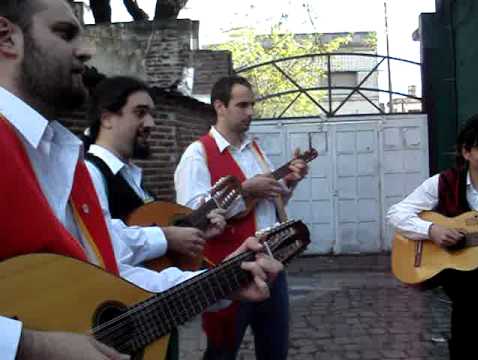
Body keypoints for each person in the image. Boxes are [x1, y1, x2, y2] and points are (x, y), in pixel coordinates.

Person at [0, 2, 283, 359]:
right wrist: (32, 346)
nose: (86, 50)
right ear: (7, 38)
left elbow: (116, 279)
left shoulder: (67, 164)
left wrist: (221, 281)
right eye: (64, 33)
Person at [83, 75, 227, 359]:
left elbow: (150, 250)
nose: (150, 123)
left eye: (151, 113)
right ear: (107, 118)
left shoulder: (134, 178)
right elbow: (100, 247)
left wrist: (192, 233)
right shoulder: (90, 173)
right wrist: (167, 237)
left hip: (157, 313)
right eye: (140, 112)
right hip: (121, 330)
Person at [174, 75, 309, 360]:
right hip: (228, 271)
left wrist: (291, 183)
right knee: (222, 352)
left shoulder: (255, 149)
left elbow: (273, 203)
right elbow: (193, 219)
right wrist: (246, 189)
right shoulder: (198, 154)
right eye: (242, 105)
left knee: (275, 351)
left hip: (272, 264)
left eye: (252, 105)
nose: (250, 112)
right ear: (220, 106)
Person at [387, 114, 478, 360]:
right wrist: (432, 230)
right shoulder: (443, 182)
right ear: (466, 152)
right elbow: (396, 213)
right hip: (462, 287)